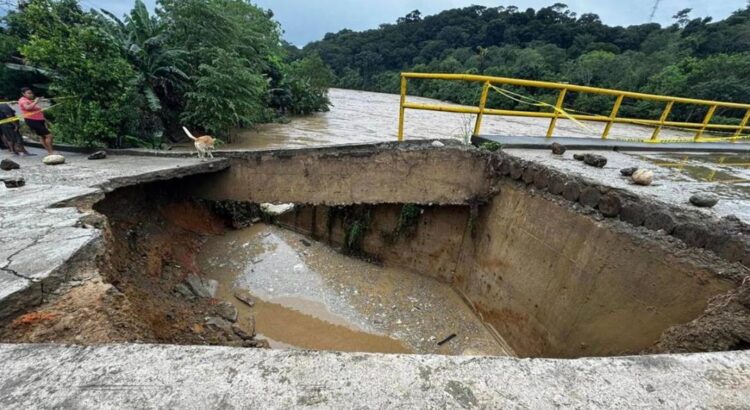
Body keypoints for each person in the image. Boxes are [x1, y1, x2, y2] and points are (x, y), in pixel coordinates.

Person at [18, 87, 53, 154]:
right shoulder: (23, 100)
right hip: (32, 121)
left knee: (42, 136)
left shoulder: (29, 100)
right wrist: (35, 101)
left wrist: (45, 120)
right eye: (29, 93)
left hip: (39, 120)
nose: (31, 94)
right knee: (49, 136)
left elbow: (38, 111)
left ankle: (49, 152)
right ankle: (51, 152)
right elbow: (27, 108)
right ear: (23, 94)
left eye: (31, 93)